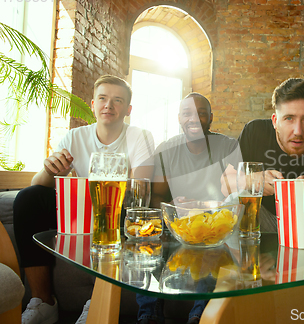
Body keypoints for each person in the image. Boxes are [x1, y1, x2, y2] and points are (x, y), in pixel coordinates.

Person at [13, 75, 154, 324]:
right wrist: (50, 170)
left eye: (117, 100)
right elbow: (38, 185)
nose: (108, 105)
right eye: (102, 98)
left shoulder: (139, 136)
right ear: (92, 104)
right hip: (79, 211)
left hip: (114, 210)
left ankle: (97, 301)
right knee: (28, 198)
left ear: (128, 109)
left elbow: (140, 187)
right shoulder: (74, 137)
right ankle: (43, 302)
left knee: (128, 205)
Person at [137, 93, 241, 324]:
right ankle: (148, 315)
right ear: (179, 118)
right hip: (178, 224)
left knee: (213, 250)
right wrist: (172, 207)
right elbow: (157, 197)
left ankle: (198, 316)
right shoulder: (166, 149)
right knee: (146, 241)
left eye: (201, 113)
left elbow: (235, 194)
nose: (194, 118)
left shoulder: (227, 146)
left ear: (211, 117)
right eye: (187, 113)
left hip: (214, 225)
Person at [225, 78, 304, 231]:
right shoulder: (253, 131)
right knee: (233, 201)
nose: (298, 131)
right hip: (263, 218)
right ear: (275, 121)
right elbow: (225, 184)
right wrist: (253, 180)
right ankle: (242, 255)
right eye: (289, 118)